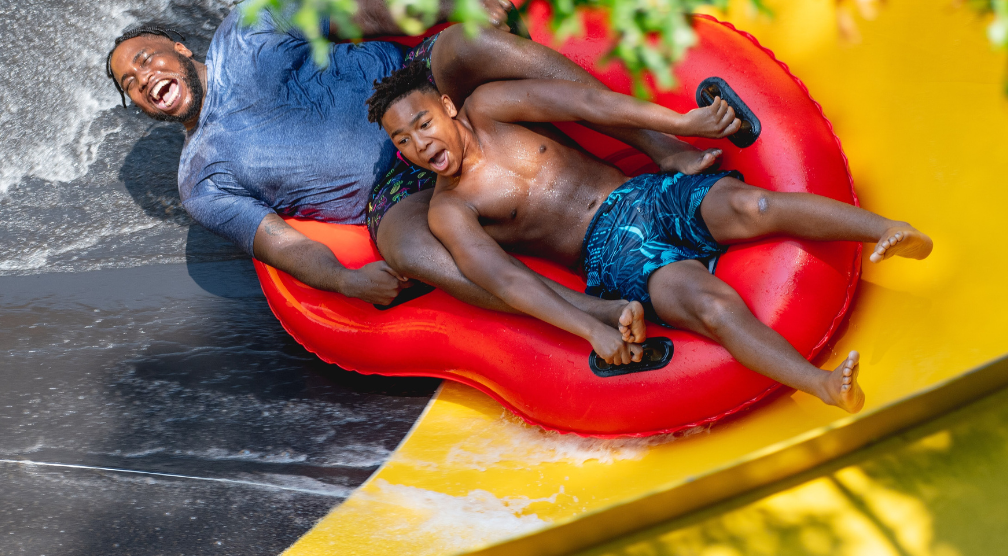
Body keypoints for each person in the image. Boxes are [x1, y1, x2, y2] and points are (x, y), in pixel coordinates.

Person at [105, 0, 737, 329]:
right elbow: (282, 244)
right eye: (132, 84)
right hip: (388, 189)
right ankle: (585, 312)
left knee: (473, 41)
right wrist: (345, 281)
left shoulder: (249, 25)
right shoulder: (202, 179)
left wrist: (450, 5)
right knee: (408, 248)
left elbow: (368, 13)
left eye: (148, 60)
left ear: (178, 46)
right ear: (140, 106)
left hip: (412, 85)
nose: (145, 78)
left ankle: (668, 147)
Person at [367, 60, 934, 413]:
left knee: (753, 203)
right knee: (710, 306)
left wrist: (681, 126)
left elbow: (589, 103)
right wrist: (592, 328)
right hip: (614, 256)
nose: (421, 144)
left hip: (645, 195)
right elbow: (509, 281)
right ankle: (825, 385)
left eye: (423, 124)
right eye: (405, 141)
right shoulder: (451, 210)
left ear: (445, 108)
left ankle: (892, 232)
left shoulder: (490, 107)